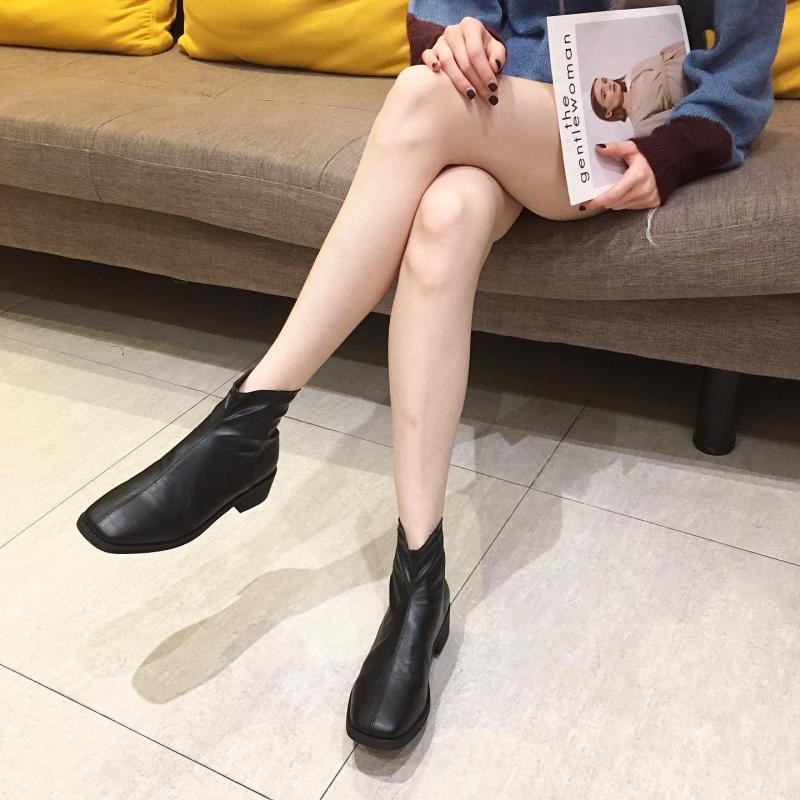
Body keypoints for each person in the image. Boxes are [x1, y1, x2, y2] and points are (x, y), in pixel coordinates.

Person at [76, 0, 786, 751]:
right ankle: (420, 581)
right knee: (444, 219)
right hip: (498, 116)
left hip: (610, 139)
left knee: (419, 96)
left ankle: (249, 421)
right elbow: (451, 15)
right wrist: (457, 39)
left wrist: (670, 154)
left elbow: (740, 80)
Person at [591, 40, 691, 137]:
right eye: (604, 94)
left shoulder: (635, 70)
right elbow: (679, 118)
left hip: (683, 50)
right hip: (689, 79)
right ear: (608, 113)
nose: (608, 85)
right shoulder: (640, 126)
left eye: (605, 81)